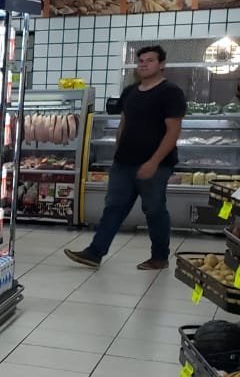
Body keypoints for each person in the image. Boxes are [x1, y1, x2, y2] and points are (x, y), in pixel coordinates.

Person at [67, 45, 185, 271]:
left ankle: (159, 257)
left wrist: (153, 162)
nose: (143, 64)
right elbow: (124, 122)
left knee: (154, 210)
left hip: (156, 165)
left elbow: (173, 131)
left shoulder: (170, 92)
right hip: (123, 163)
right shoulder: (130, 91)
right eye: (141, 61)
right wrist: (117, 152)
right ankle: (94, 253)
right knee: (113, 207)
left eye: (149, 60)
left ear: (161, 64)